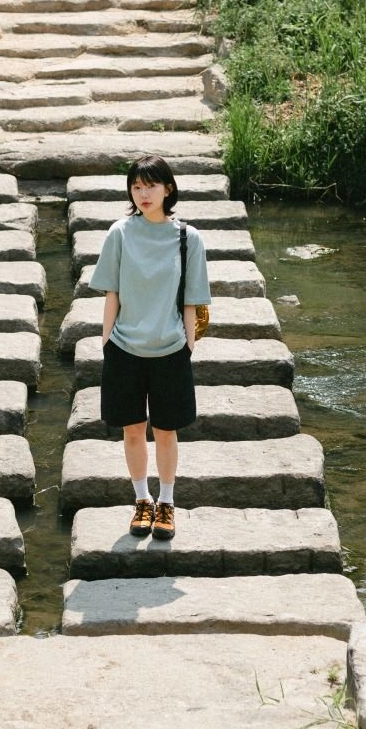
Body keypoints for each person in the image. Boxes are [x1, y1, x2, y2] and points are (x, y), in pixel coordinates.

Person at [89, 154, 211, 541]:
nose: (143, 194)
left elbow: (192, 299)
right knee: (132, 431)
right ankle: (142, 500)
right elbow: (112, 292)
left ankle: (167, 503)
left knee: (166, 432)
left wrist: (188, 345)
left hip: (171, 350)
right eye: (136, 187)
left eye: (151, 186)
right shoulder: (120, 233)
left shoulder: (188, 238)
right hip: (124, 348)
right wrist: (106, 342)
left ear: (168, 189)